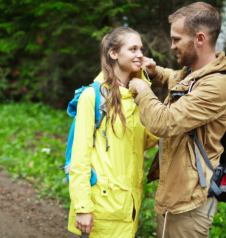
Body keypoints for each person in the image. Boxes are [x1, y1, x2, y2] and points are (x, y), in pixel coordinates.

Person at [129, 2, 226, 238]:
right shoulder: (195, 73)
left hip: (191, 203)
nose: (172, 46)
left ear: (200, 38)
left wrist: (140, 87)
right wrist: (154, 73)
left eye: (177, 39)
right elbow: (176, 80)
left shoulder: (217, 85)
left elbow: (163, 121)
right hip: (177, 193)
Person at [67, 27, 158, 238]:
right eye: (133, 49)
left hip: (130, 204)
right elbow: (79, 156)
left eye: (141, 49)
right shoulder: (93, 97)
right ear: (113, 53)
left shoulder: (137, 95)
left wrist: (146, 93)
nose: (140, 54)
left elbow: (148, 141)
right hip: (103, 206)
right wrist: (82, 207)